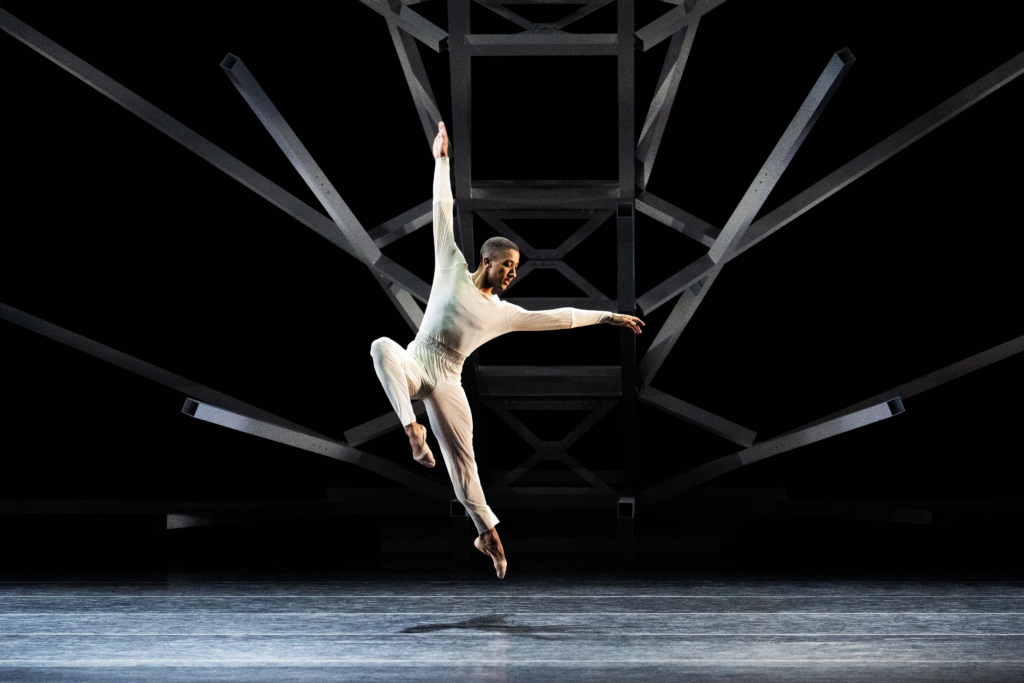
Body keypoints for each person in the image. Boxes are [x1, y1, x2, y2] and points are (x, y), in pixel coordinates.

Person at [370, 122, 644, 578]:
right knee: (381, 346)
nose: (513, 273)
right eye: (508, 266)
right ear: (487, 260)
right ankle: (412, 431)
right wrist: (442, 160)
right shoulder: (450, 265)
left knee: (464, 466)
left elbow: (558, 317)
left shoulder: (505, 313)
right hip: (416, 361)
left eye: (516, 268)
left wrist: (609, 317)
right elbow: (442, 208)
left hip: (449, 380)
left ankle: (489, 535)